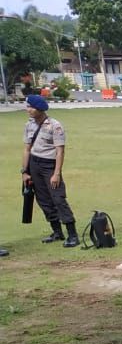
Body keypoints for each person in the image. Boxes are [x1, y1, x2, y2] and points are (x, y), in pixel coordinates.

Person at [21, 95, 78, 247]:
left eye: (31, 107)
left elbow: (60, 151)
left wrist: (56, 173)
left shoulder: (54, 126)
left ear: (40, 109)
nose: (28, 110)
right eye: (28, 107)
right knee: (43, 200)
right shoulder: (29, 125)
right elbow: (27, 149)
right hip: (34, 164)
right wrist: (24, 171)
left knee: (58, 198)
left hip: (49, 165)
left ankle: (73, 235)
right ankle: (57, 232)